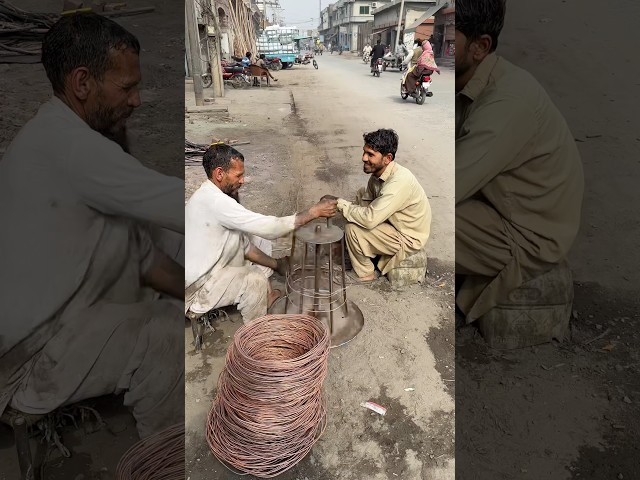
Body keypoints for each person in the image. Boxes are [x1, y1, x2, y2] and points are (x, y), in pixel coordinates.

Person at [0, 13, 184, 439]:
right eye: (127, 88)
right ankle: (165, 458)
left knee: (164, 240)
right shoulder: (71, 149)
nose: (136, 100)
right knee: (167, 338)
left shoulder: (58, 132)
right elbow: (177, 205)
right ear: (82, 83)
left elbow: (143, 244)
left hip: (54, 307)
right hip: (24, 358)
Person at [455, 0, 584, 323]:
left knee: (413, 216)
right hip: (502, 207)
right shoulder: (473, 80)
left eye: (447, 38)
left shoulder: (506, 103)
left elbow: (448, 188)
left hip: (527, 235)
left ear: (480, 47)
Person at [185, 144, 338, 323]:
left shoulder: (212, 195)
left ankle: (268, 294)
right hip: (195, 289)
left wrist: (276, 264)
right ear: (219, 174)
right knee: (254, 281)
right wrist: (312, 213)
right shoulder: (214, 202)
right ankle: (258, 332)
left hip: (211, 264)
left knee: (256, 237)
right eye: (238, 175)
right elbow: (271, 228)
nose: (243, 181)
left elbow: (244, 244)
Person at [321, 129, 431, 284]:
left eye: (370, 155)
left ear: (387, 158)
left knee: (353, 229)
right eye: (364, 152)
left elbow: (369, 219)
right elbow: (366, 203)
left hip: (407, 237)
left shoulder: (399, 182)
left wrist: (339, 203)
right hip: (393, 224)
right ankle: (364, 249)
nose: (363, 158)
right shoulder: (377, 175)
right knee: (361, 195)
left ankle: (365, 273)